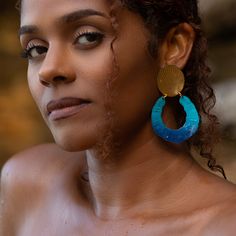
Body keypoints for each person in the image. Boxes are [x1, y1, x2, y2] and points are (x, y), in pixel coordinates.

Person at [1, 0, 236, 235]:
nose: (48, 70)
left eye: (87, 37)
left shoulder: (224, 226)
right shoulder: (26, 189)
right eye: (36, 49)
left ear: (173, 47)